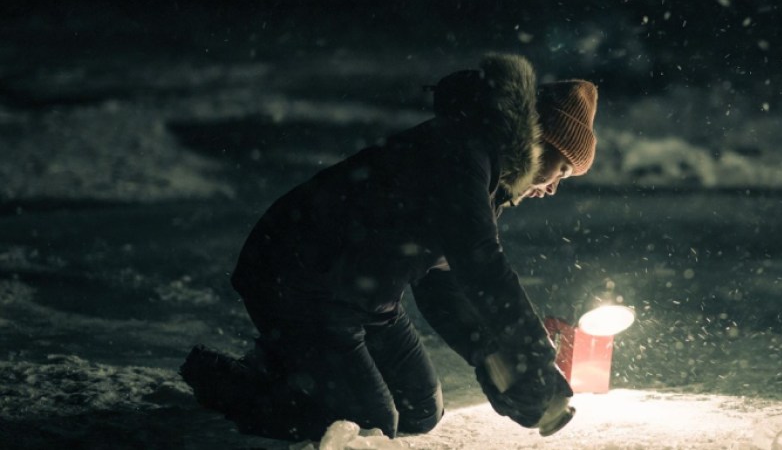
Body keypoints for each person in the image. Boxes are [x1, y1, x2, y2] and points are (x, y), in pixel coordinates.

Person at [179, 53, 599, 441]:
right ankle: (231, 382)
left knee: (419, 412)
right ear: (540, 139)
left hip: (365, 295)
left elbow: (442, 281)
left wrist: (487, 352)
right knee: (367, 424)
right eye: (560, 171)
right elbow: (481, 263)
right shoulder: (465, 152)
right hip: (300, 280)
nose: (552, 189)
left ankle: (290, 364)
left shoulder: (491, 177)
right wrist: (533, 351)